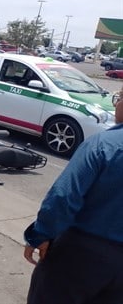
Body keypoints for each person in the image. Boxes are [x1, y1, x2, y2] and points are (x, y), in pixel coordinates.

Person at [23, 87, 123, 304]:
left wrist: (40, 235)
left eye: (119, 98)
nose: (116, 105)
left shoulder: (103, 145)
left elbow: (63, 197)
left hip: (80, 255)